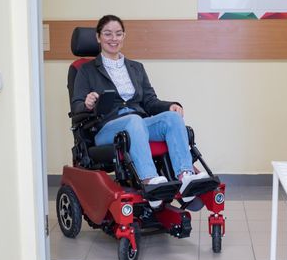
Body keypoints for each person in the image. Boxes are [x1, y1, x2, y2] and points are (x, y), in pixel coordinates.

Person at [72, 14, 208, 207]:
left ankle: (185, 177)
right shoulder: (86, 70)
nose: (114, 38)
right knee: (134, 121)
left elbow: (150, 101)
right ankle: (149, 181)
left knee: (171, 118)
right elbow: (76, 106)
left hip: (138, 124)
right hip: (106, 129)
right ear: (98, 37)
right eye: (108, 34)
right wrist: (87, 103)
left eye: (118, 34)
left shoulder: (136, 68)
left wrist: (170, 105)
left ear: (124, 37)